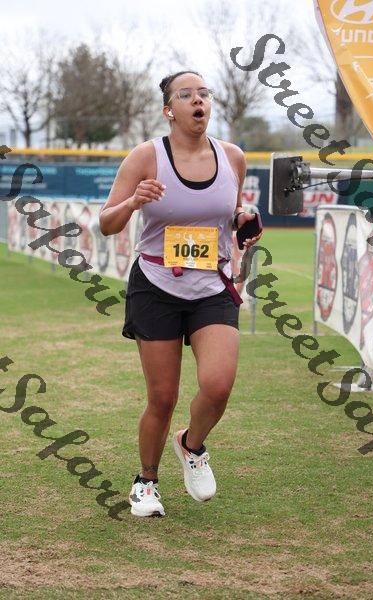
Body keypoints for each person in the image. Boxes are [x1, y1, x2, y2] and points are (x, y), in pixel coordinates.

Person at [99, 70, 263, 518]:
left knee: (218, 385)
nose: (197, 101)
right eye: (186, 95)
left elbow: (230, 213)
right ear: (169, 109)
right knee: (163, 398)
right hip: (157, 285)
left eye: (203, 94)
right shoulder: (145, 156)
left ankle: (191, 445)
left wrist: (243, 221)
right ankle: (146, 482)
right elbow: (107, 222)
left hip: (211, 286)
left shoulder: (232, 156)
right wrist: (134, 201)